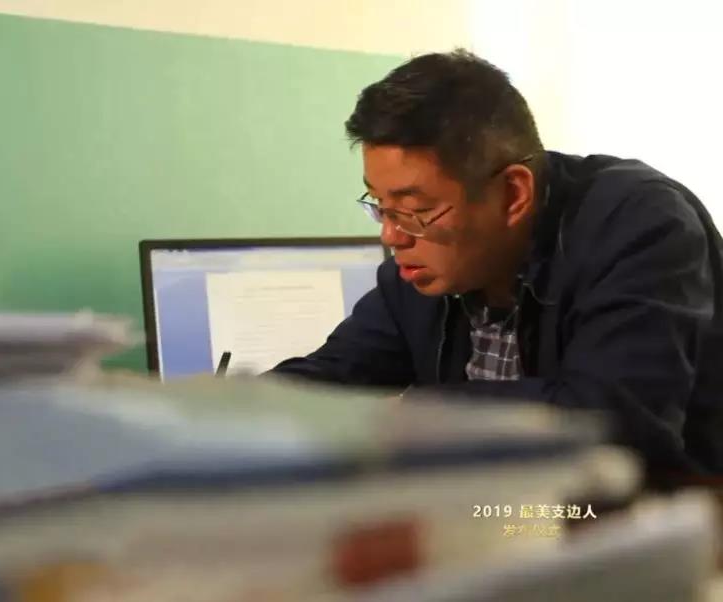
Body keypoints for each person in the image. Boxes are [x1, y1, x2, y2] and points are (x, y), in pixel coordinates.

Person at [270, 49, 723, 480]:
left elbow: (616, 423)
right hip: (501, 512)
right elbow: (333, 376)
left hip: (663, 517)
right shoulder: (422, 267)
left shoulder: (637, 223)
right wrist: (240, 408)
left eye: (414, 208)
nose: (392, 236)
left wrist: (421, 413)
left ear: (513, 194)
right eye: (381, 205)